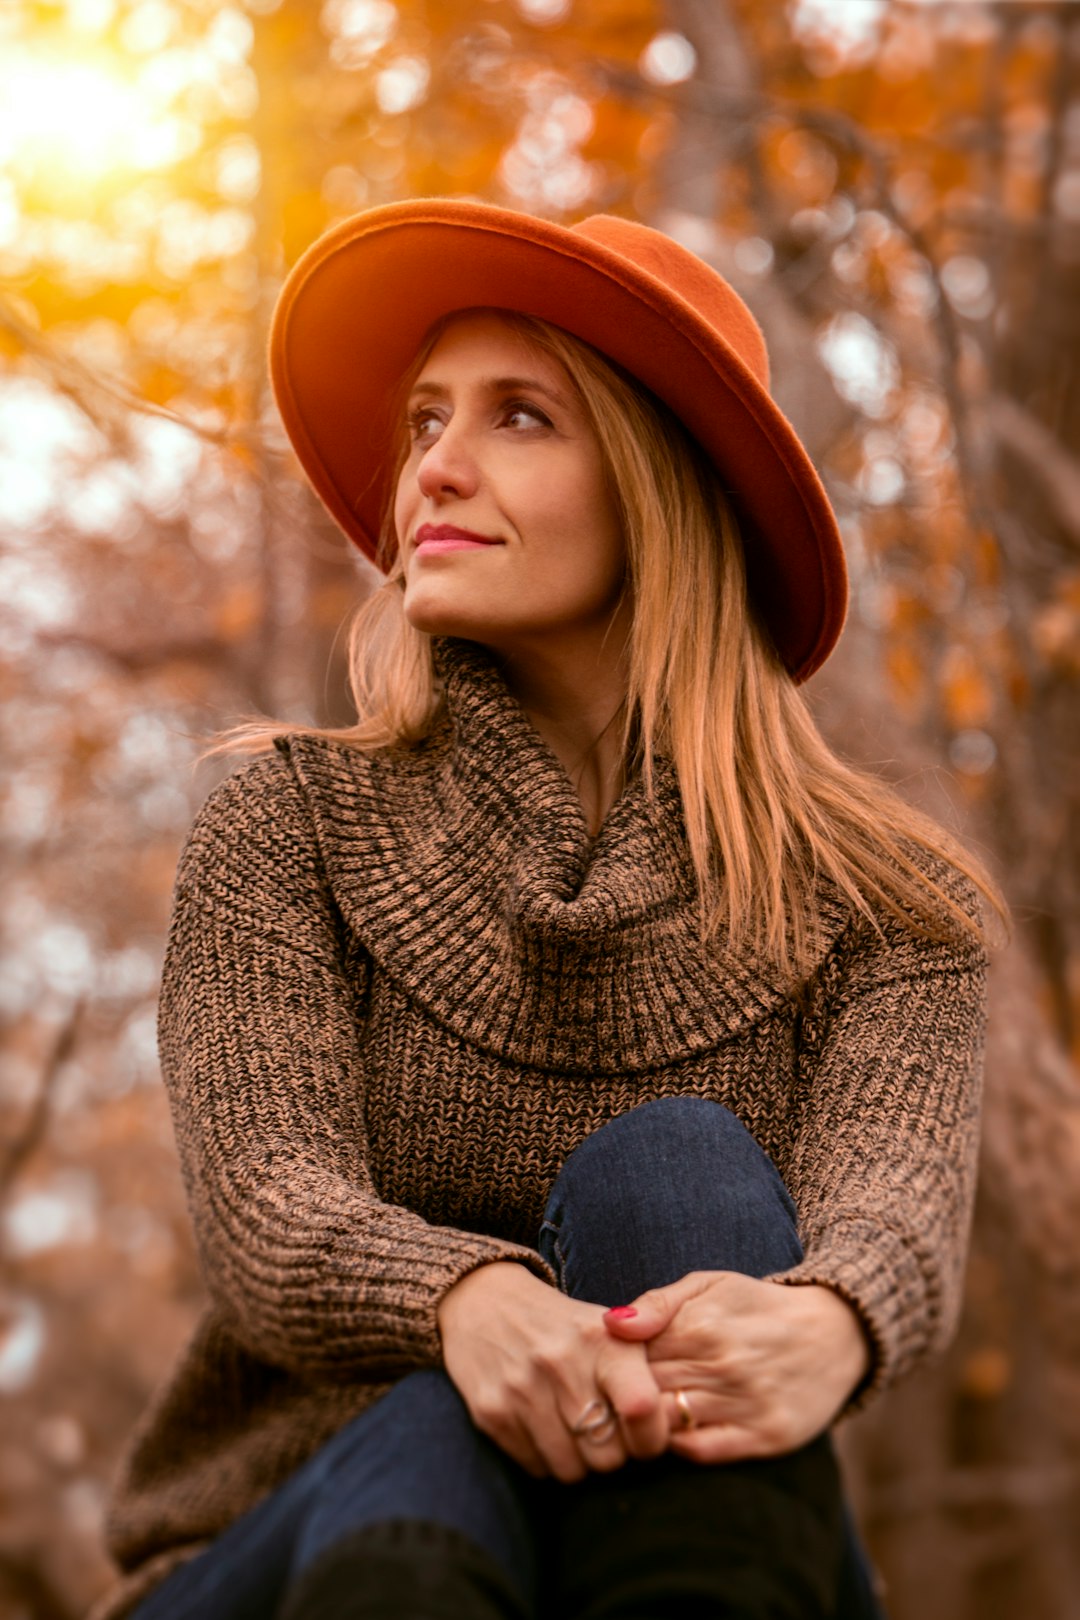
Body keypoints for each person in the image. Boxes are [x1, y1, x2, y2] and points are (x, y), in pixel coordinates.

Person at [91, 201, 1002, 1620]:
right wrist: (466, 1305)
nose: (436, 468)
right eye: (424, 422)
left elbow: (893, 1212)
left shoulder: (890, 907)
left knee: (679, 1175)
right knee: (434, 1426)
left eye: (520, 417)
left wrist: (834, 1322)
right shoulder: (284, 823)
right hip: (283, 1554)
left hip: (685, 1537)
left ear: (661, 486)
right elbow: (270, 1209)